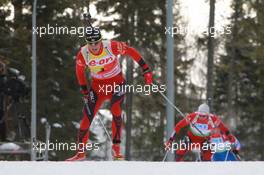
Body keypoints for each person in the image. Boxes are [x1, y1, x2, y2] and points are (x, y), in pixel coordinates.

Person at [67, 27, 153, 161]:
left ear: (101, 41)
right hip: (97, 88)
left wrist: (146, 70)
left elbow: (131, 51)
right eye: (91, 43)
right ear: (87, 42)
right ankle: (80, 153)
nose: (94, 46)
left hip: (116, 84)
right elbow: (80, 73)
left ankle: (116, 150)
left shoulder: (111, 46)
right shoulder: (83, 54)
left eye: (96, 42)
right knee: (86, 118)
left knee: (116, 109)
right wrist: (85, 91)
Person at [165, 103, 237, 161]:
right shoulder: (192, 117)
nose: (201, 117)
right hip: (191, 138)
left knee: (208, 154)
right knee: (180, 151)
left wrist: (229, 136)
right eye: (200, 115)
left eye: (204, 116)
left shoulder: (213, 119)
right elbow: (178, 126)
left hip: (204, 139)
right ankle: (176, 168)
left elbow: (223, 128)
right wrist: (171, 140)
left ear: (208, 115)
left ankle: (204, 167)